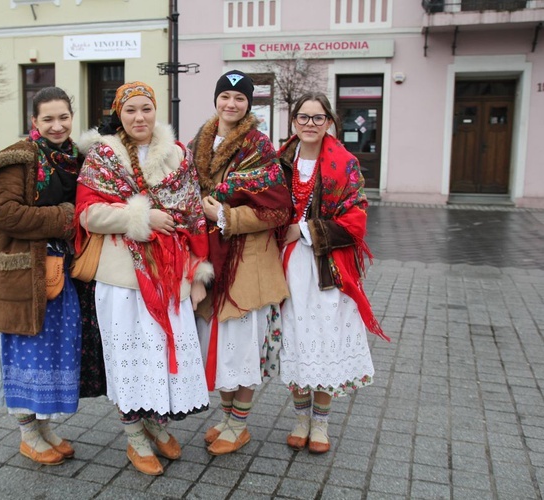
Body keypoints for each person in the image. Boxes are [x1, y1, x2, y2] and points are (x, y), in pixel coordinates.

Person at [76, 81, 212, 476]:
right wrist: (140, 218)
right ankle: (135, 435)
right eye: (131, 109)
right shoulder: (103, 156)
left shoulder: (177, 156)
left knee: (162, 359)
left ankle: (156, 422)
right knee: (128, 360)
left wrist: (198, 273)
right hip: (123, 281)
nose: (139, 117)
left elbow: (192, 218)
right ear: (119, 114)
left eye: (146, 109)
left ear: (156, 112)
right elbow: (88, 215)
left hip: (170, 278)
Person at [0, 86, 84, 466]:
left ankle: (43, 428)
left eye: (63, 117)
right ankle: (26, 433)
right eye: (48, 119)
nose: (57, 125)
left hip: (59, 273)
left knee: (50, 353)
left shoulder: (72, 158)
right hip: (22, 272)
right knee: (25, 351)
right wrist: (65, 218)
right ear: (34, 121)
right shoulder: (19, 159)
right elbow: (2, 214)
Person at [277, 92, 389, 454]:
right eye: (303, 117)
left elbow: (356, 219)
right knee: (295, 338)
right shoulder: (280, 161)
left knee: (324, 341)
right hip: (288, 266)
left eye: (318, 117)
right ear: (294, 121)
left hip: (328, 269)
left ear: (330, 122)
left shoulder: (345, 163)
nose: (310, 124)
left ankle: (321, 423)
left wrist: (306, 231)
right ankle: (300, 419)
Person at [188, 70, 292, 456]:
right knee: (216, 343)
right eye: (225, 96)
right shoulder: (198, 141)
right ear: (216, 99)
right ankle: (227, 416)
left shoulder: (259, 146)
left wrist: (225, 218)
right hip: (207, 257)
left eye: (240, 98)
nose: (231, 103)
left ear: (250, 105)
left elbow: (279, 210)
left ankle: (240, 424)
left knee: (241, 347)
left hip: (246, 260)